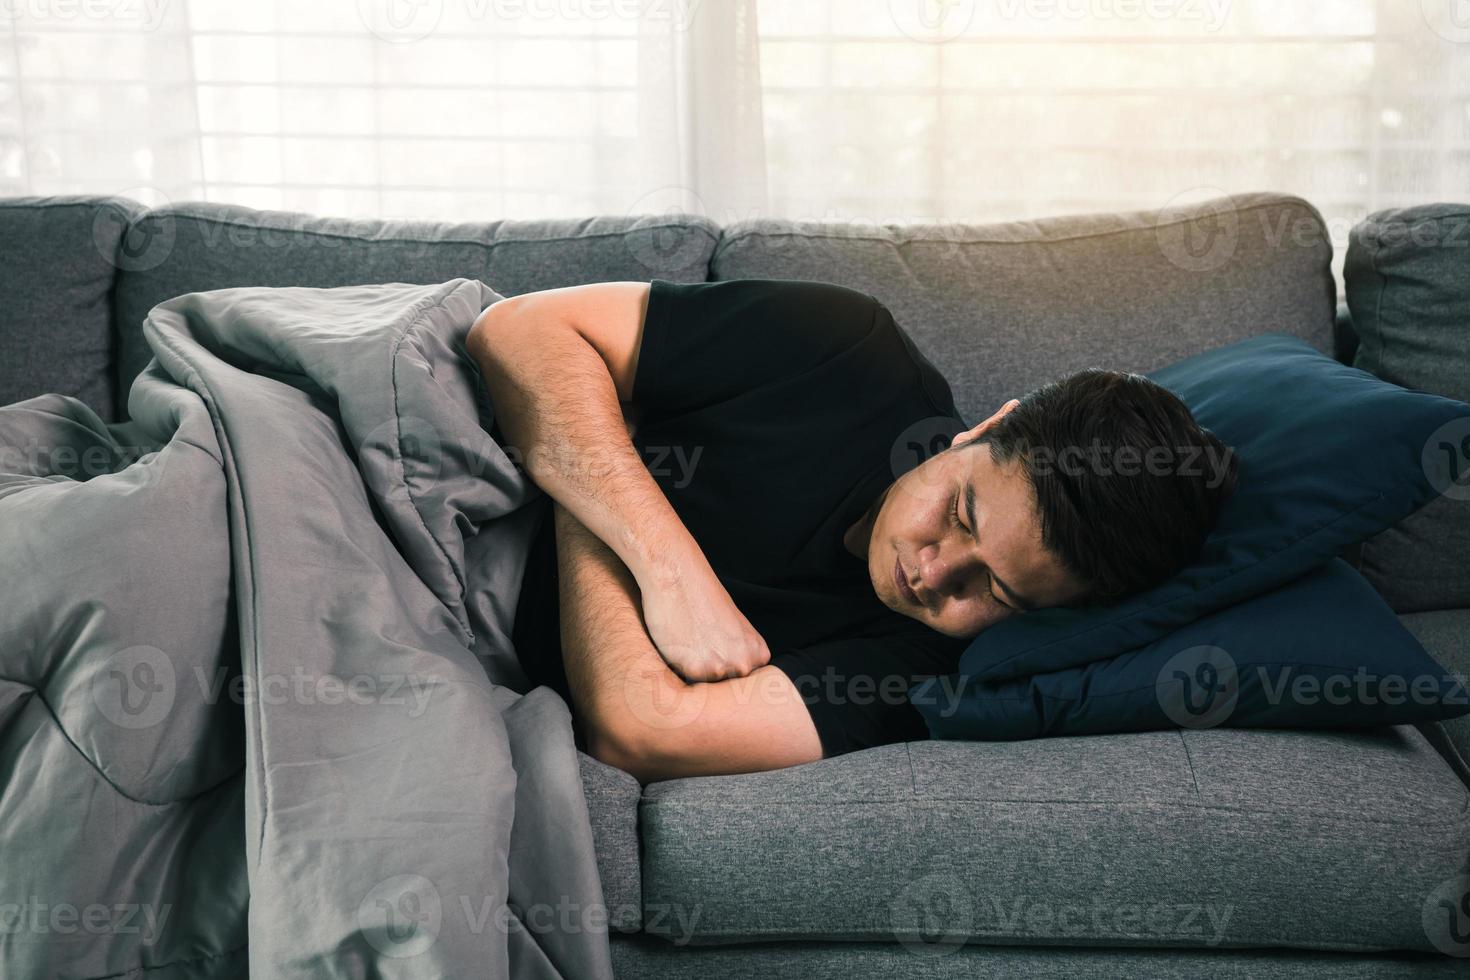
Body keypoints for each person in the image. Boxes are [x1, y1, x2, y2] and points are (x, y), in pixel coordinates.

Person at [467, 278, 1237, 783]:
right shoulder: (844, 349)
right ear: (985, 430)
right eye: (959, 514)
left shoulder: (930, 669)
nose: (933, 575)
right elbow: (517, 331)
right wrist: (666, 567)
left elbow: (644, 733)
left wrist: (585, 472)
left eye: (993, 590)